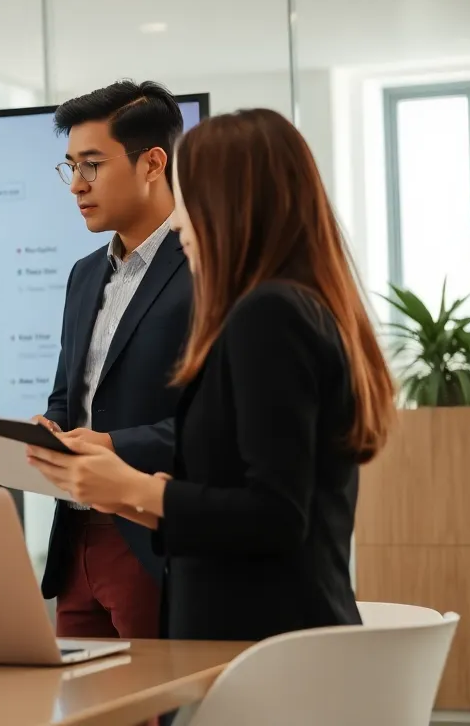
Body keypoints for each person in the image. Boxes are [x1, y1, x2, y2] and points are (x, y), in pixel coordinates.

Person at [26, 108, 395, 642]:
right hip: (266, 635)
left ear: (236, 207)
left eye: (190, 200)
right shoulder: (293, 307)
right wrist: (135, 495)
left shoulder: (270, 315)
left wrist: (135, 487)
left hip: (263, 645)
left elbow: (275, 514)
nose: (178, 222)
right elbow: (249, 494)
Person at [36, 81, 193, 640]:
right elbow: (68, 396)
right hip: (75, 538)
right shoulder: (84, 275)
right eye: (71, 167)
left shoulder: (205, 266)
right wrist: (49, 430)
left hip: (153, 538)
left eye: (93, 165)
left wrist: (111, 444)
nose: (77, 185)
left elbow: (212, 426)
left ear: (152, 163)